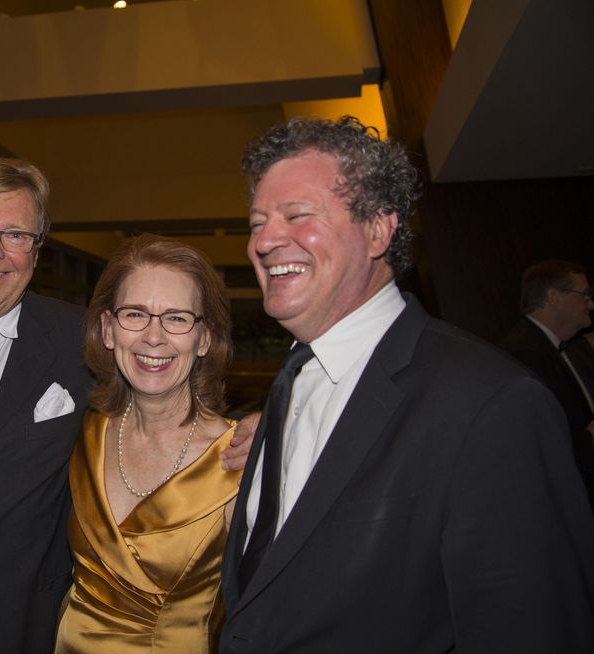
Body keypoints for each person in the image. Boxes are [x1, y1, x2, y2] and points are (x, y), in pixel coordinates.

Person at [219, 116, 594, 653]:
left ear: (378, 229)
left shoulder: (490, 403)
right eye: (257, 223)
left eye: (297, 215)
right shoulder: (292, 382)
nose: (266, 241)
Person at [56, 235, 240, 652]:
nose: (153, 337)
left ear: (205, 338)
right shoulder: (86, 434)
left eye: (176, 318)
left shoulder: (239, 461)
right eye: (135, 314)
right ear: (107, 329)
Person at [500, 260, 594, 507]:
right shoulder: (526, 354)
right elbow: (538, 444)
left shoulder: (567, 346)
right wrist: (589, 438)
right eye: (584, 295)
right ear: (553, 297)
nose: (591, 304)